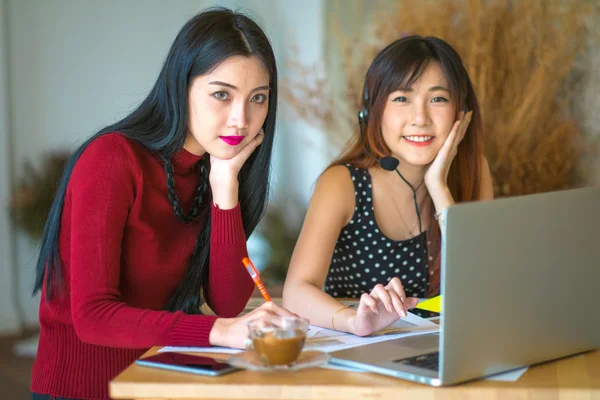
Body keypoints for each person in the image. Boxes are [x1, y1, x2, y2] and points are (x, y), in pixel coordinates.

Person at [30, 7, 294, 400]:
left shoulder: (216, 169)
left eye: (258, 98)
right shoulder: (112, 160)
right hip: (84, 388)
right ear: (180, 86)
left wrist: (225, 190)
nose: (241, 119)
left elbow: (227, 302)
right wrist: (219, 332)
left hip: (162, 378)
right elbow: (92, 317)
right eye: (222, 94)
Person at [283, 35, 494, 337]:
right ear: (372, 112)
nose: (419, 119)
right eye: (401, 98)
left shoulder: (475, 172)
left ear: (461, 113)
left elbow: (482, 293)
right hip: (355, 351)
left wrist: (438, 188)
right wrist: (353, 321)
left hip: (440, 351)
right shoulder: (342, 184)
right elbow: (297, 292)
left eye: (438, 99)